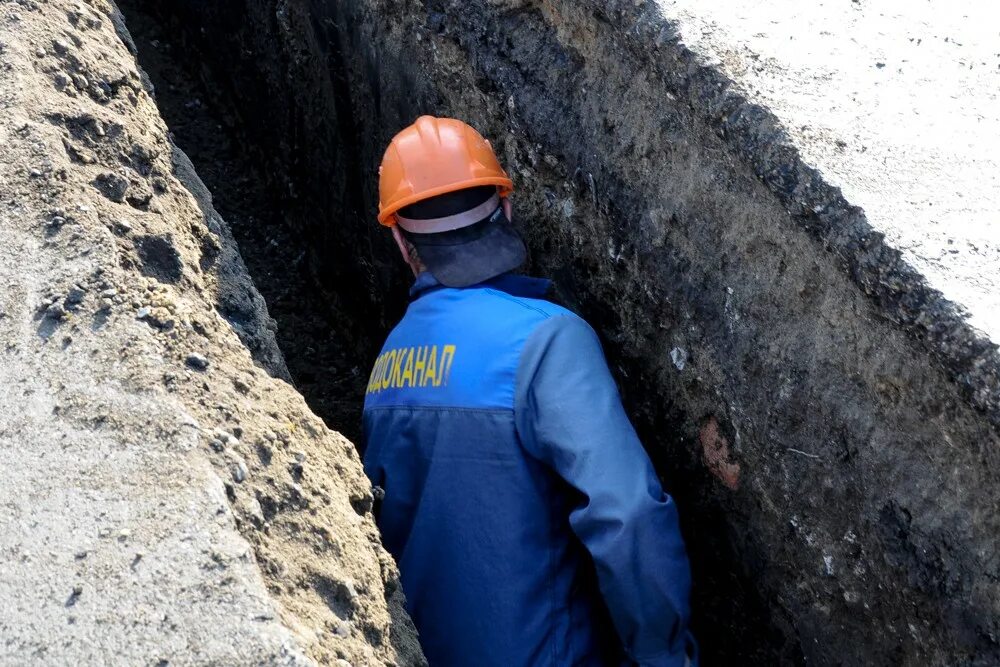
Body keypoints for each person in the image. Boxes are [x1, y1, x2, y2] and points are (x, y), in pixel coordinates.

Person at [362, 115, 695, 666]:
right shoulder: (547, 339)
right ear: (506, 208)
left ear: (401, 241)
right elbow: (628, 514)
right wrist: (665, 657)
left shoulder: (387, 366)